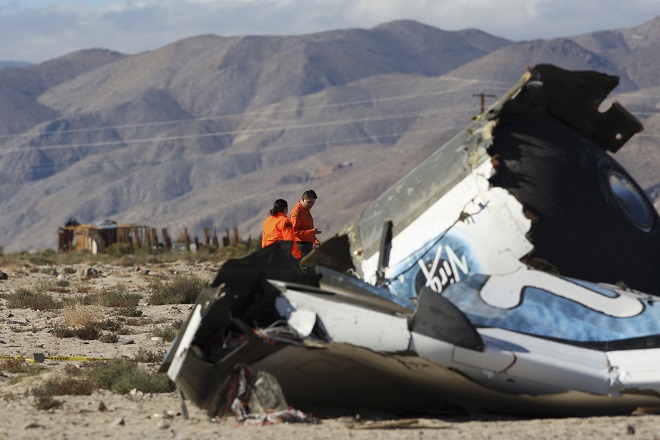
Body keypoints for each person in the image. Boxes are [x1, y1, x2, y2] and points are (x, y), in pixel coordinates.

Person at [289, 190, 322, 257]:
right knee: (303, 267)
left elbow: (307, 228)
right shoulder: (297, 212)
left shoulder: (305, 210)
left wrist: (314, 241)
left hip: (306, 246)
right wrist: (312, 232)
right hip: (300, 247)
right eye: (309, 202)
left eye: (313, 203)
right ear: (303, 199)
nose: (311, 205)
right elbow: (294, 231)